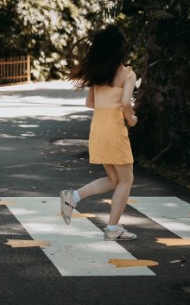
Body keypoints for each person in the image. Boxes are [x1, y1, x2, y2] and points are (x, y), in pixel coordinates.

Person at [59, 25, 139, 241]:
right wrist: (131, 119)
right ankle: (112, 229)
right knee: (126, 179)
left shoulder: (97, 74)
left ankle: (73, 197)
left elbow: (89, 103)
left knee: (114, 179)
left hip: (98, 127)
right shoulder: (127, 74)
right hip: (114, 127)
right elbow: (125, 103)